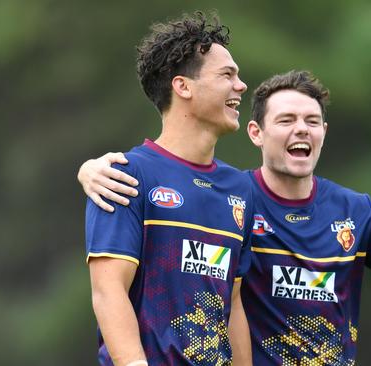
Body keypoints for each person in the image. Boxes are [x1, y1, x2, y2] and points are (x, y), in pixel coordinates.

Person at [80, 71, 371, 364]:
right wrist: (93, 169)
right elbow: (168, 187)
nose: (301, 129)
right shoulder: (226, 198)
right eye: (286, 120)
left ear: (324, 133)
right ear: (256, 133)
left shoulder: (357, 213)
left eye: (312, 121)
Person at [84, 11, 255, 366]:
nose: (241, 86)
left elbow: (233, 302)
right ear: (183, 87)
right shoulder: (125, 175)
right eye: (227, 75)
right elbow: (108, 291)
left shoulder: (240, 188)